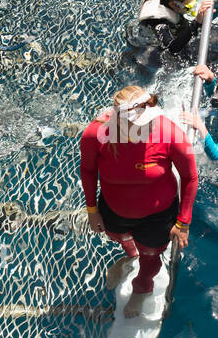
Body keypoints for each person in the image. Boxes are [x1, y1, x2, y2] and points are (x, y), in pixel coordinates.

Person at [80, 85, 198, 318]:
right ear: (121, 122)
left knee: (150, 256)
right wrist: (92, 210)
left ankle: (143, 284)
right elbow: (88, 170)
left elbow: (190, 176)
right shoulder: (95, 134)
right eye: (145, 123)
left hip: (157, 216)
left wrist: (183, 222)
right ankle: (130, 255)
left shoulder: (168, 132)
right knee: (121, 238)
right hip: (113, 210)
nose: (152, 125)